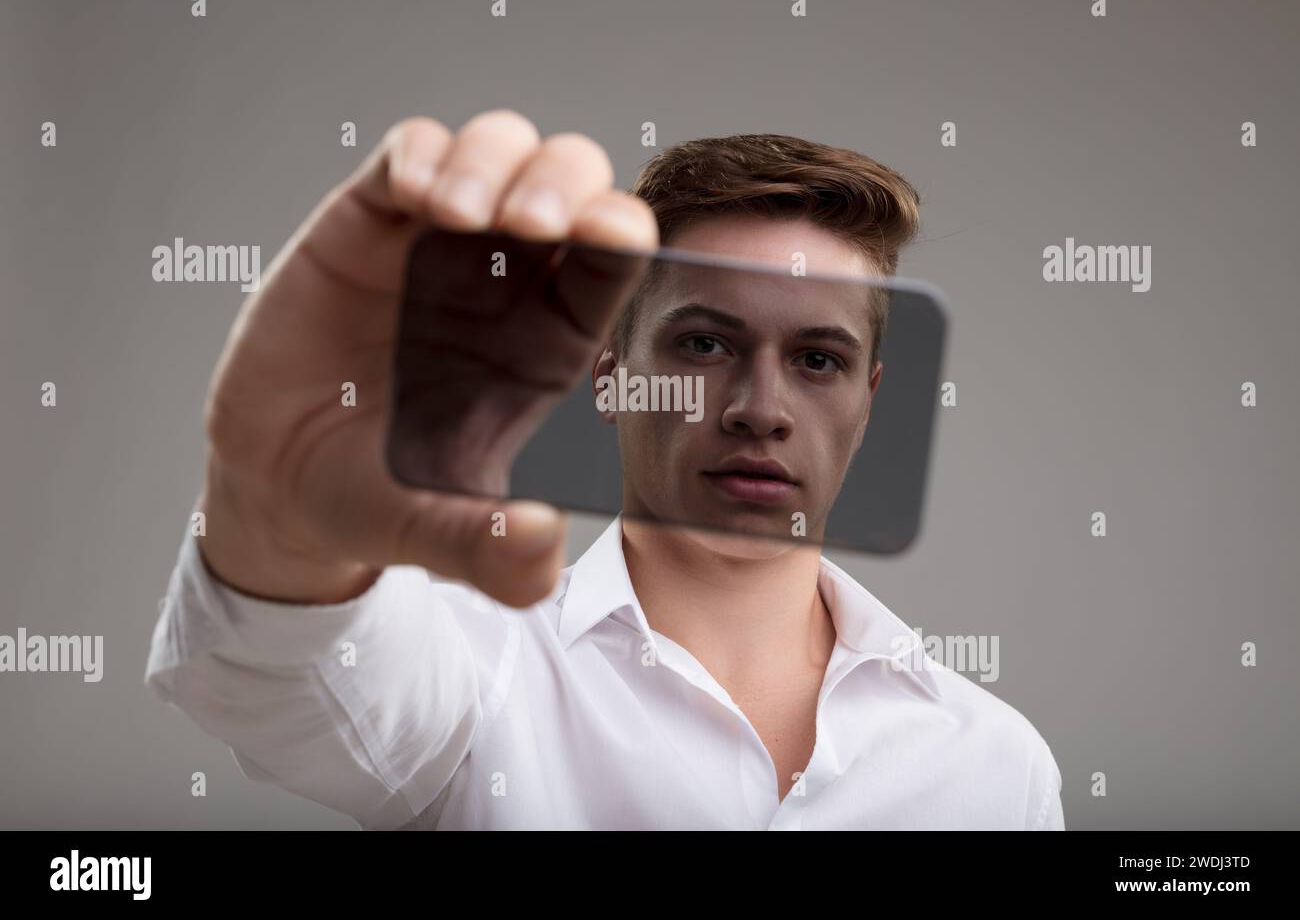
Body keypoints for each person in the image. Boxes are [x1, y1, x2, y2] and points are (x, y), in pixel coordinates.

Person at [144, 109, 1064, 829]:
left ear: (869, 399)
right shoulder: (475, 672)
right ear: (612, 373)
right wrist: (275, 512)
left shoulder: (996, 765)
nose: (760, 407)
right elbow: (276, 675)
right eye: (705, 342)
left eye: (818, 360)